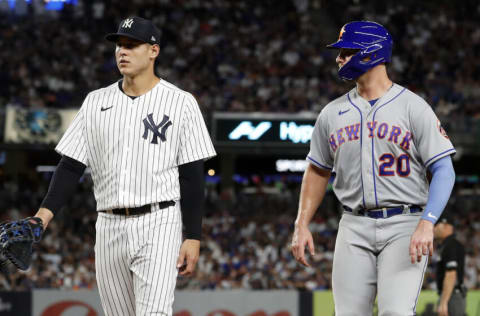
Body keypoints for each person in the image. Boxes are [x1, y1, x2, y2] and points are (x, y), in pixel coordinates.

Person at [32, 17, 216, 315]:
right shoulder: (95, 102)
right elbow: (70, 166)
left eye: (131, 45)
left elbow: (193, 176)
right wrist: (41, 217)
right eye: (119, 45)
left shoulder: (181, 102)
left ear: (153, 51)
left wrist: (193, 236)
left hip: (159, 220)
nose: (122, 52)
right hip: (108, 226)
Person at [291, 21, 456, 315]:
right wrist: (301, 223)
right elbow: (317, 170)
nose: (339, 58)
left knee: (395, 312)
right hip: (353, 225)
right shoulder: (331, 113)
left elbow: (444, 168)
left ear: (371, 52)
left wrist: (428, 220)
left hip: (405, 223)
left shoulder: (412, 107)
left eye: (346, 51)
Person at [434, 212, 466, 316]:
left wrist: (443, 303)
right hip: (450, 295)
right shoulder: (447, 245)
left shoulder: (450, 245)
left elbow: (451, 274)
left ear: (445, 225)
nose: (433, 228)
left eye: (436, 225)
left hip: (451, 296)